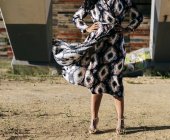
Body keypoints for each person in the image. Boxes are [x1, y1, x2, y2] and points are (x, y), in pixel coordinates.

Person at [53, 0, 143, 135]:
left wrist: (127, 29)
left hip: (115, 46)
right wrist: (86, 28)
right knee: (95, 81)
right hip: (97, 44)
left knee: (116, 81)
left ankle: (120, 120)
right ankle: (94, 119)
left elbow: (138, 16)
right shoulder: (92, 1)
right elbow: (76, 16)